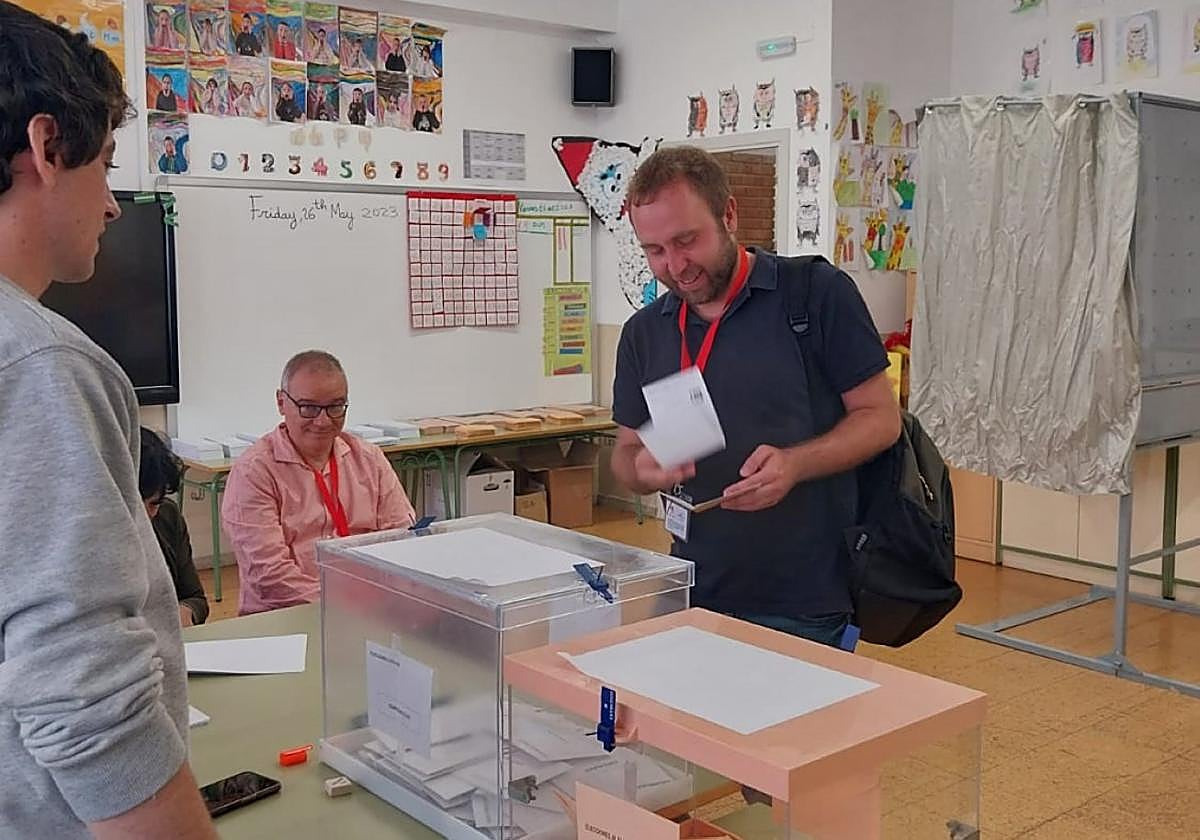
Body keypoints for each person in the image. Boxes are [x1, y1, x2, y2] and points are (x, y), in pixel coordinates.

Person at [0, 4, 217, 837]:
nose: (116, 205)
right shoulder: (41, 363)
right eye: (107, 165)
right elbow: (82, 689)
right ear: (47, 146)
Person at [610, 146, 900, 648]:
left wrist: (795, 464)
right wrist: (642, 469)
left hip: (804, 602)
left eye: (686, 240)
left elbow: (881, 419)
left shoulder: (815, 295)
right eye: (654, 250)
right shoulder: (644, 334)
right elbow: (625, 453)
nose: (675, 266)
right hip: (691, 588)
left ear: (728, 215)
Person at [222, 351, 416, 615]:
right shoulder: (253, 472)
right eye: (309, 408)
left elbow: (402, 539)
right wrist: (342, 606)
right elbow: (270, 575)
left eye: (335, 407)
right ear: (281, 402)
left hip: (372, 609)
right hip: (288, 615)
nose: (323, 421)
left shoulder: (369, 459)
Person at [139, 428, 210, 627]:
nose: (145, 515)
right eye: (135, 504)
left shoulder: (167, 515)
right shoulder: (89, 538)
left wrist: (187, 612)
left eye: (154, 504)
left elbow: (196, 599)